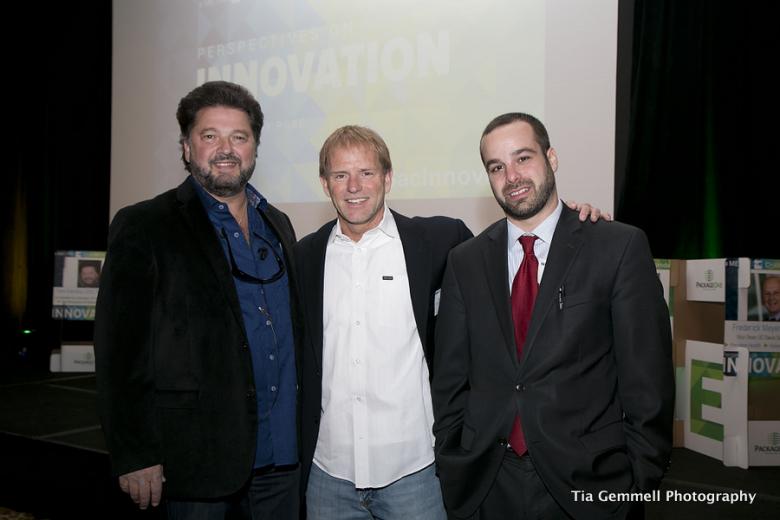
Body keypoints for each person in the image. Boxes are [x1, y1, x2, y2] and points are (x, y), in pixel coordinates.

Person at [294, 125, 606, 519]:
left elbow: (510, 251)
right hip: (328, 477)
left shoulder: (441, 241)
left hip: (416, 475)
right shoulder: (305, 257)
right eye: (340, 175)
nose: (354, 186)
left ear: (387, 178)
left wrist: (570, 220)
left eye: (366, 173)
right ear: (325, 184)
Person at [432, 113, 673, 519]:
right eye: (496, 167)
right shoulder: (464, 261)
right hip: (488, 483)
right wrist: (452, 459)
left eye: (523, 158)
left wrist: (638, 483)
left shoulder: (616, 247)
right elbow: (450, 380)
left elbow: (648, 380)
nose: (512, 176)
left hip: (591, 483)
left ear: (552, 158)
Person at [94, 81, 302, 519]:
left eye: (239, 137)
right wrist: (135, 453)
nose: (226, 149)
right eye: (210, 136)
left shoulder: (278, 224)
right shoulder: (145, 225)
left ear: (255, 148)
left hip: (282, 458)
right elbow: (119, 352)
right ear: (187, 148)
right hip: (196, 460)